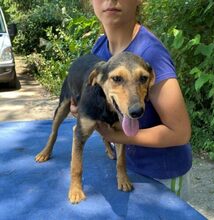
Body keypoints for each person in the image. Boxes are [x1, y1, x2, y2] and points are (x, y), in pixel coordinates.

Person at [71, 0, 192, 200]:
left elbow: (180, 133)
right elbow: (98, 96)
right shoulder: (101, 47)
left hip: (162, 174)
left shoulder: (151, 53)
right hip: (128, 167)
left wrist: (115, 137)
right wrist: (82, 106)